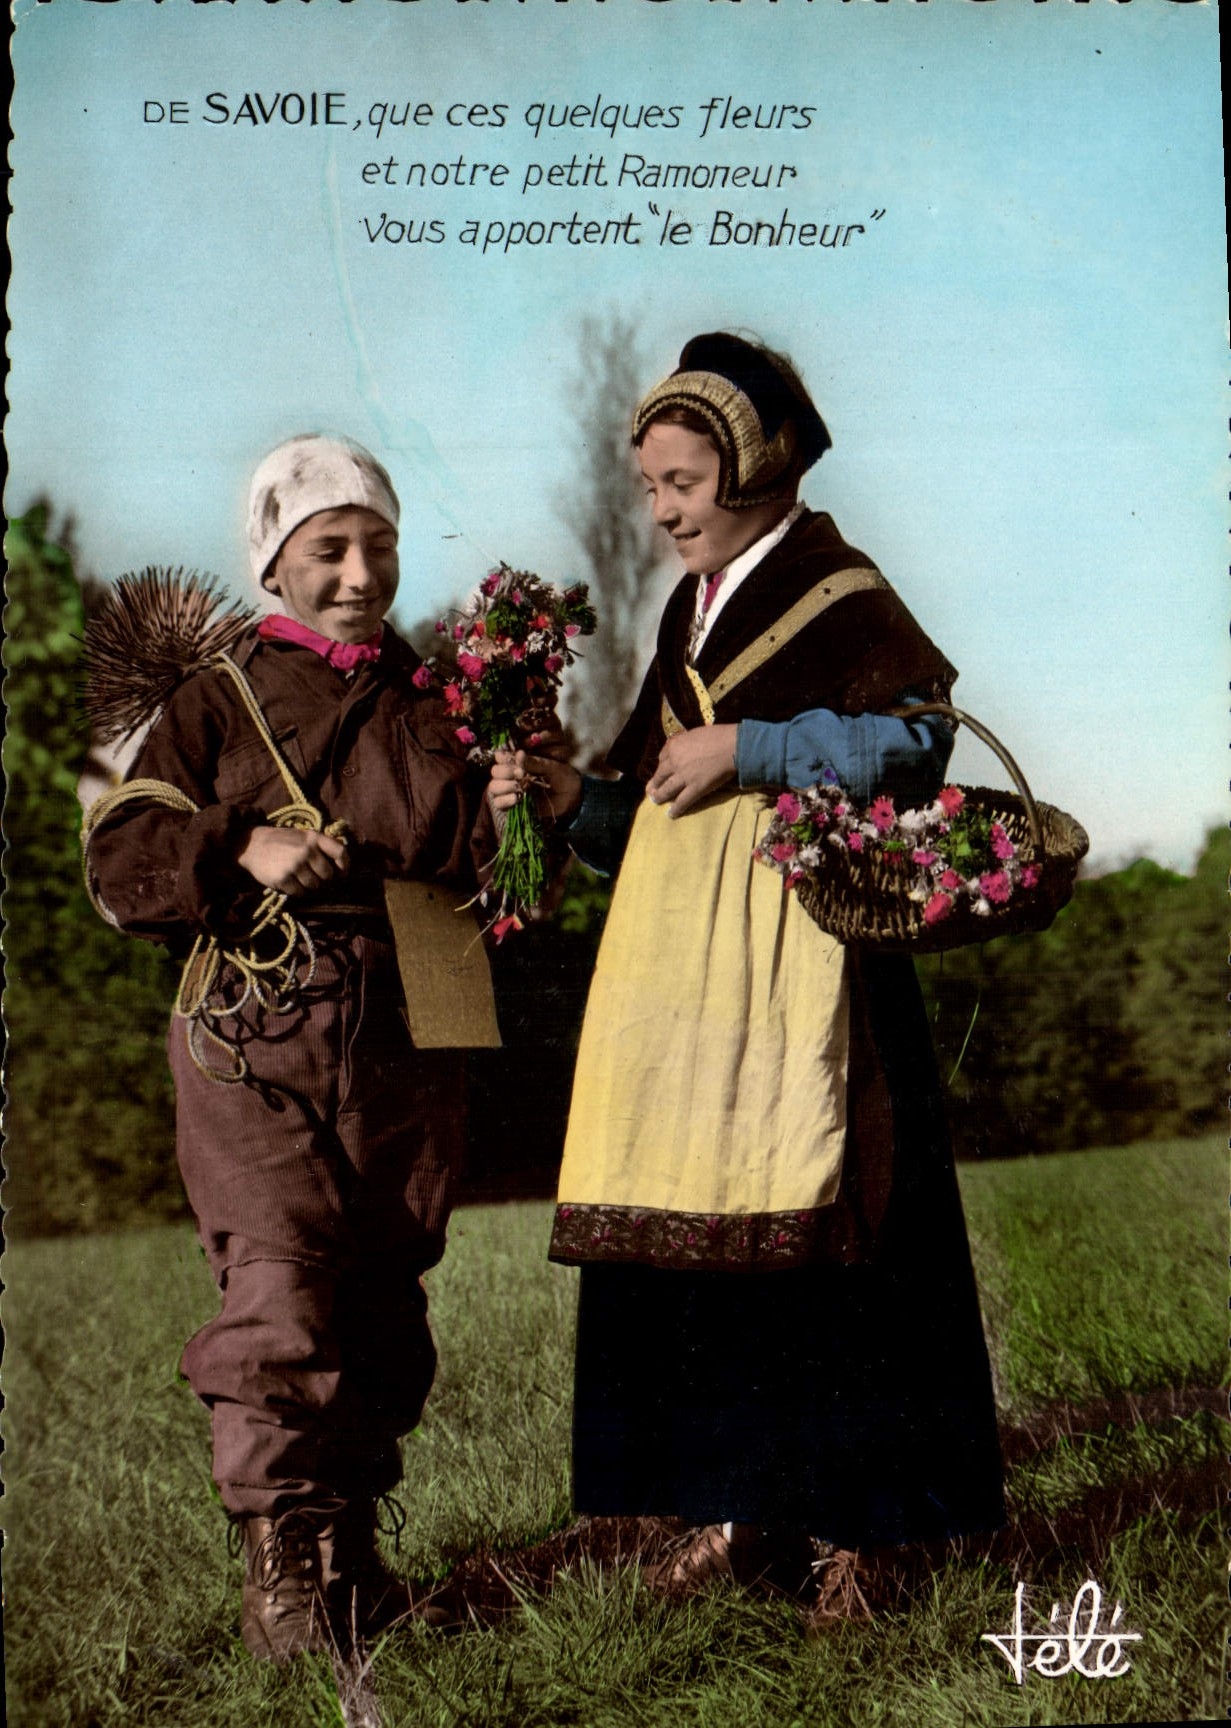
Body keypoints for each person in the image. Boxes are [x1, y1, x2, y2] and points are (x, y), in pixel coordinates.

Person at [489, 333, 1005, 1602]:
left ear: (756, 462)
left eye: (680, 483)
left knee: (840, 1239)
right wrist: (564, 797)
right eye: (651, 489)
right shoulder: (687, 609)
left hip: (819, 969)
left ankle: (882, 1533)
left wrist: (756, 750)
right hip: (686, 983)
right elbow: (649, 816)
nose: (662, 512)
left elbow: (919, 745)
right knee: (710, 1250)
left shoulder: (834, 583)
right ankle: (744, 1514)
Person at [85, 435, 490, 1659]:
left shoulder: (441, 704)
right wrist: (239, 846)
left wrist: (522, 810)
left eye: (380, 545)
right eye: (329, 548)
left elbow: (494, 878)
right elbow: (119, 862)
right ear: (274, 560)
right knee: (278, 1287)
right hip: (251, 1027)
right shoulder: (218, 703)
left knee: (380, 1293)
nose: (360, 571)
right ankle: (280, 1572)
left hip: (414, 1021)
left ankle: (352, 1554)